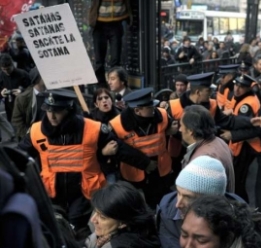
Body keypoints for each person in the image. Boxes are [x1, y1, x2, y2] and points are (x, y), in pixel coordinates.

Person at [18, 90, 151, 235]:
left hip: (83, 193)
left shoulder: (93, 128)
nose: (51, 115)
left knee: (77, 229)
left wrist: (146, 163)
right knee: (57, 229)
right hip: (52, 194)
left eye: (57, 110)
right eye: (48, 110)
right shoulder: (36, 131)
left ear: (69, 109)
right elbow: (18, 156)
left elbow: (120, 149)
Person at [109, 87, 178, 208]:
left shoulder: (162, 114)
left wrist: (173, 130)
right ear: (137, 110)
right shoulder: (116, 124)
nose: (153, 109)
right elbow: (117, 150)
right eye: (149, 107)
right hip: (133, 173)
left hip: (160, 171)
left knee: (159, 204)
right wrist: (145, 163)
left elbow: (173, 129)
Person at [220, 74, 261, 202]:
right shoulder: (244, 98)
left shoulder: (247, 104)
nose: (237, 89)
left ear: (248, 89)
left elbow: (250, 129)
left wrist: (232, 135)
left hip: (246, 146)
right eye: (236, 85)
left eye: (242, 87)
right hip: (244, 146)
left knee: (239, 183)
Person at [180, 105, 235, 192]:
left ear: (191, 131)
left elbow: (201, 199)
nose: (180, 129)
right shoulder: (219, 142)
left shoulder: (203, 161)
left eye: (181, 125)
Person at [88, 0, 132, 86]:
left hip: (116, 23)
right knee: (99, 61)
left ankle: (115, 86)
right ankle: (101, 87)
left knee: (115, 60)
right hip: (99, 24)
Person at [87, 88, 120, 183]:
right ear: (96, 104)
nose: (104, 100)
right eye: (100, 99)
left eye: (106, 97)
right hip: (102, 167)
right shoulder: (91, 120)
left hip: (121, 165)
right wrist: (102, 153)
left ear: (111, 100)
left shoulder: (121, 116)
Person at [11, 67, 46, 141]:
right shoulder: (23, 98)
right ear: (37, 79)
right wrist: (28, 136)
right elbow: (17, 121)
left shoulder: (54, 93)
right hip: (34, 137)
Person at [0, 53, 30, 123]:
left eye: (8, 69)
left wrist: (22, 91)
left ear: (12, 64)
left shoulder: (23, 74)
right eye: (4, 69)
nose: (6, 71)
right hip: (10, 110)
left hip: (24, 108)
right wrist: (1, 93)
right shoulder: (1, 76)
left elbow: (33, 89)